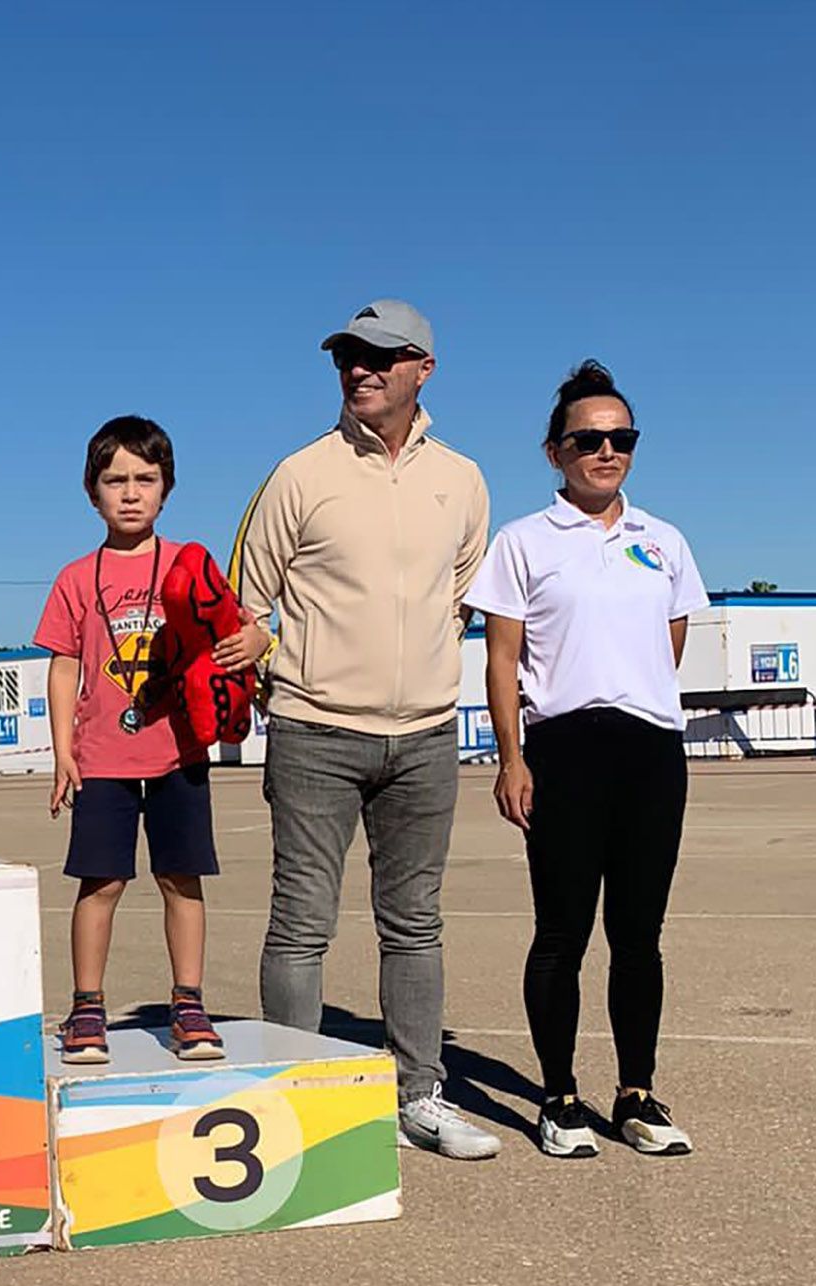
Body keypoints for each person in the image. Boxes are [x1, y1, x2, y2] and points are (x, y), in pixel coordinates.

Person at [220, 300, 498, 1159]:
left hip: (423, 738)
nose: (361, 369)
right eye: (348, 356)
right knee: (302, 922)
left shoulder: (463, 480)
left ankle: (419, 1097)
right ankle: (294, 1103)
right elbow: (244, 604)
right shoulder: (299, 475)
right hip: (314, 732)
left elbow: (461, 595)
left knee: (414, 923)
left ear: (424, 369)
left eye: (381, 356)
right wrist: (273, 671)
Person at [465, 361, 705, 1158]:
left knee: (640, 933)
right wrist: (512, 757)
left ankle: (636, 1092)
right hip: (563, 749)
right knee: (562, 932)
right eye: (588, 439)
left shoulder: (662, 540)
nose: (606, 451)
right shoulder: (523, 542)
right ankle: (559, 1095)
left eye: (621, 438)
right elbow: (503, 660)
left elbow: (668, 642)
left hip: (649, 749)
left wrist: (630, 697)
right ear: (554, 451)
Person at [36, 417, 227, 1065]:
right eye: (114, 480)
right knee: (102, 882)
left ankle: (188, 1001)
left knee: (182, 877)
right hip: (102, 757)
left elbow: (234, 629)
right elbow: (63, 664)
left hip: (178, 751)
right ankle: (86, 1006)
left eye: (145, 479)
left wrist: (256, 642)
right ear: (92, 492)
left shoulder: (188, 564)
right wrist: (62, 748)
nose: (130, 492)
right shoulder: (73, 578)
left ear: (166, 488)